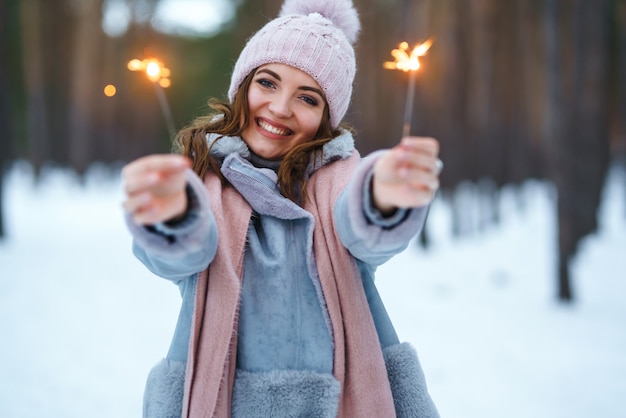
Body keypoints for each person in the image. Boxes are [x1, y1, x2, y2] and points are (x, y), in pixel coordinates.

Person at [122, 0, 441, 416]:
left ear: (327, 117)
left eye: (307, 98)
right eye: (268, 83)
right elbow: (185, 254)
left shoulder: (337, 179)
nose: (279, 107)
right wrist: (170, 214)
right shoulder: (205, 181)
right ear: (244, 85)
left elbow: (361, 226)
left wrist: (383, 193)